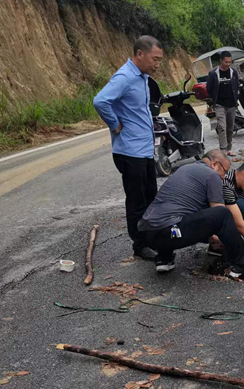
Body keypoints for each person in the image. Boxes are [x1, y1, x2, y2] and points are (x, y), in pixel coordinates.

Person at [137, 149, 244, 278]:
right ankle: (242, 265)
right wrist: (237, 241)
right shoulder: (212, 175)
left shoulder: (185, 169)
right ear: (215, 164)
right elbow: (219, 217)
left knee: (177, 213)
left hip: (146, 233)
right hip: (170, 231)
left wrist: (214, 238)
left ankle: (164, 258)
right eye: (224, 172)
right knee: (223, 213)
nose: (224, 177)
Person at [93, 35, 163, 261]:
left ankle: (153, 238)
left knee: (151, 196)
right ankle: (140, 245)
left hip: (143, 150)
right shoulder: (124, 76)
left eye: (160, 60)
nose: (157, 64)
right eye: (155, 59)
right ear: (140, 54)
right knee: (136, 201)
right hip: (129, 151)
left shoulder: (142, 76)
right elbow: (100, 101)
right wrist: (115, 125)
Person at [206, 51, 240, 156]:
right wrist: (213, 100)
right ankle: (223, 150)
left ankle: (229, 148)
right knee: (222, 127)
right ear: (221, 61)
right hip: (219, 104)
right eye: (226, 62)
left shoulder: (233, 72)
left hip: (232, 105)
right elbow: (209, 88)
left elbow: (236, 85)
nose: (228, 64)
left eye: (230, 62)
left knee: (230, 128)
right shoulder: (213, 73)